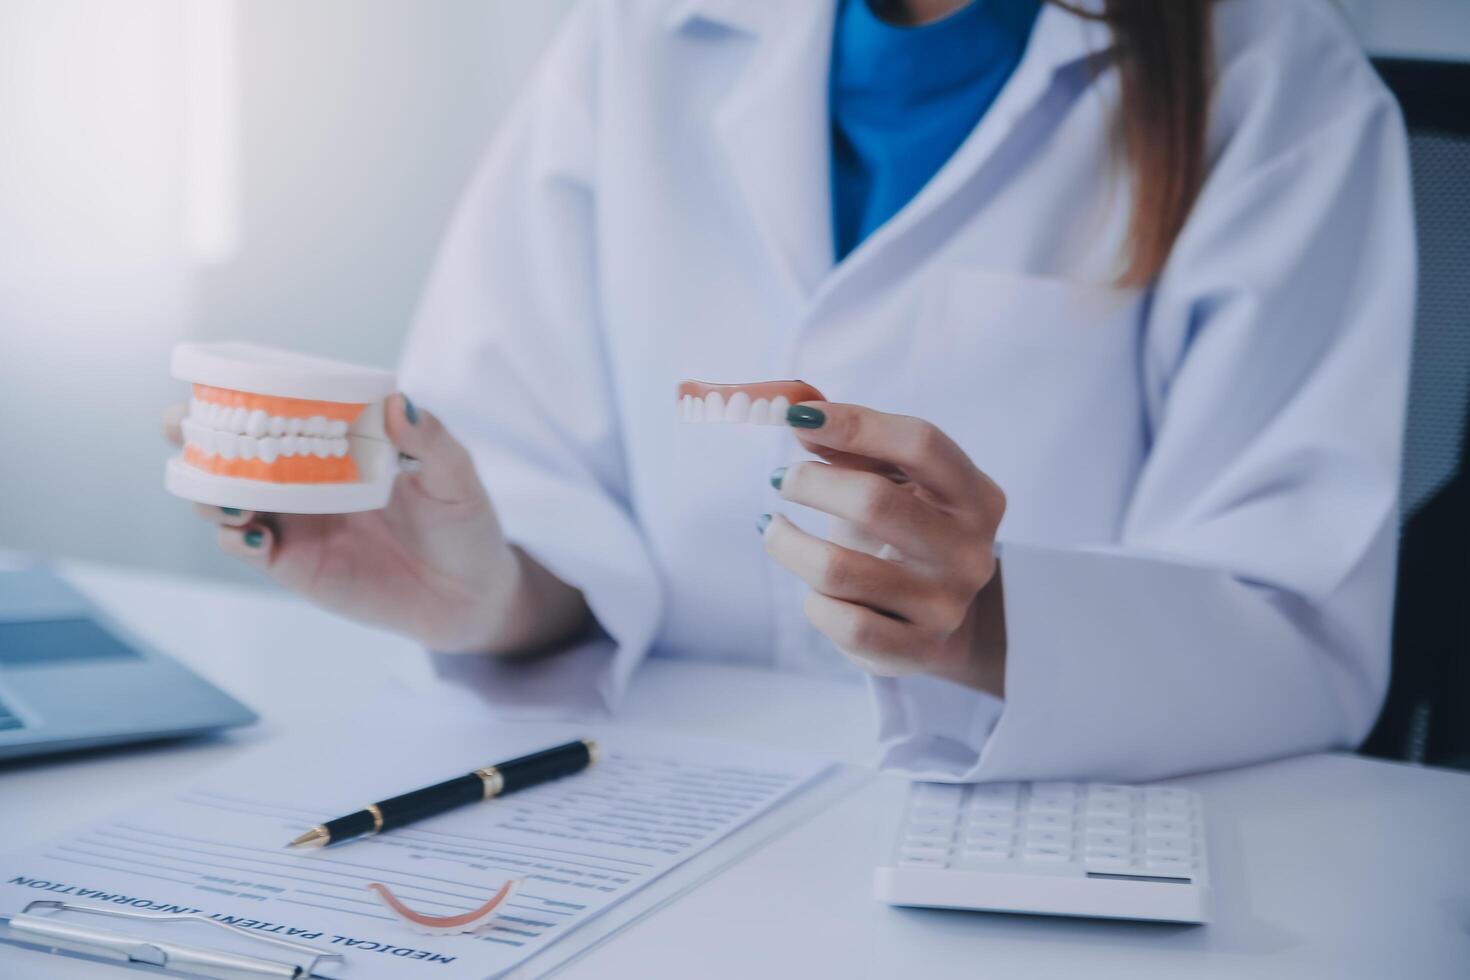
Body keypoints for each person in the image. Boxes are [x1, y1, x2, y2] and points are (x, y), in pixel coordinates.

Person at [170, 0, 1414, 782]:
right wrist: (485, 593)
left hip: (1031, 819)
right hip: (651, 789)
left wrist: (981, 624)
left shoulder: (1274, 78)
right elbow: (536, 486)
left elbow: (1303, 636)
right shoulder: (635, 35)